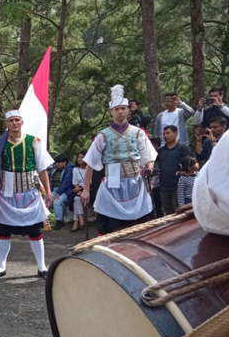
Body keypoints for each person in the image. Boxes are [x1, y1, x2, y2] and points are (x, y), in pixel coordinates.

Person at [0, 109, 53, 280]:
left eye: (17, 120)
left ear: (22, 122)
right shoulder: (1, 144)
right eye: (11, 121)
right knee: (4, 230)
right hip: (7, 193)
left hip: (29, 192)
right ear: (7, 124)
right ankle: (1, 266)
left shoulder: (33, 141)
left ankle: (42, 267)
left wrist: (48, 192)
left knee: (35, 231)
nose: (14, 123)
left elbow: (42, 168)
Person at [82, 85, 157, 235]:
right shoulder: (103, 136)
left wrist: (149, 168)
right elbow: (90, 163)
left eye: (123, 108)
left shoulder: (138, 133)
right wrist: (85, 190)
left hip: (135, 182)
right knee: (108, 224)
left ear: (128, 111)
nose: (120, 112)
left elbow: (149, 156)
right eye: (117, 109)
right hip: (112, 183)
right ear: (111, 112)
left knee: (140, 224)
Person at [155, 125, 194, 215]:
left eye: (168, 133)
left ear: (175, 134)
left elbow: (191, 164)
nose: (165, 136)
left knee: (180, 212)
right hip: (164, 186)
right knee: (168, 213)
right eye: (164, 134)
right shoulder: (160, 151)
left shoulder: (183, 148)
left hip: (179, 186)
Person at [50, 154, 74, 230]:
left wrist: (59, 192)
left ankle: (59, 221)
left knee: (57, 202)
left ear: (65, 162)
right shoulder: (54, 169)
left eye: (59, 162)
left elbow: (67, 182)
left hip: (66, 191)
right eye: (56, 162)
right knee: (46, 201)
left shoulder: (69, 169)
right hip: (54, 190)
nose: (57, 164)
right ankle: (43, 221)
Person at [70, 151, 88, 232]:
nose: (79, 159)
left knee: (76, 200)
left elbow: (91, 182)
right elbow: (75, 182)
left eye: (82, 157)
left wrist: (81, 189)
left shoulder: (90, 169)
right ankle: (81, 220)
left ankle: (76, 222)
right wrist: (78, 190)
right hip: (78, 191)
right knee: (76, 199)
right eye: (78, 157)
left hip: (88, 190)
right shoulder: (75, 169)